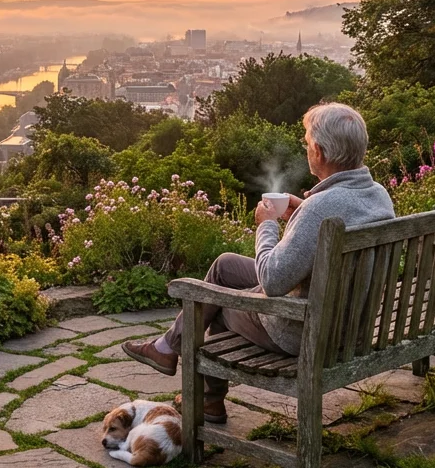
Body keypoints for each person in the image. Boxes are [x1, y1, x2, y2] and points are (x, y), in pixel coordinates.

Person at [122, 102, 395, 423]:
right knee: (224, 266)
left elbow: (273, 281)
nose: (306, 148)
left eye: (307, 142)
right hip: (349, 322)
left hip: (306, 331)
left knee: (214, 301)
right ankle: (168, 349)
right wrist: (301, 211)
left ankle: (205, 396)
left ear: (319, 152)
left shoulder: (320, 208)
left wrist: (266, 224)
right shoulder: (376, 194)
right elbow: (329, 224)